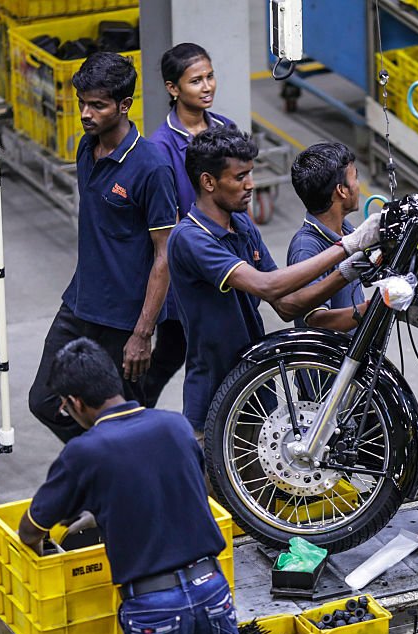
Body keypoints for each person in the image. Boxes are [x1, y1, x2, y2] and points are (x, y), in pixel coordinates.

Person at [18, 338, 242, 634]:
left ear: (75, 403)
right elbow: (182, 493)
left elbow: (31, 528)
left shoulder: (84, 452)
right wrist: (103, 512)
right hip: (211, 588)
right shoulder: (176, 426)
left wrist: (45, 545)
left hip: (154, 608)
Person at [167, 127, 379, 433]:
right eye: (240, 177)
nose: (251, 185)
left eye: (251, 174)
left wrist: (346, 272)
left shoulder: (241, 224)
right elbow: (266, 286)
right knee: (213, 479)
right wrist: (347, 247)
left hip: (255, 384)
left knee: (265, 477)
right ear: (208, 182)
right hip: (214, 391)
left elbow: (286, 304)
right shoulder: (190, 238)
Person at [28, 52, 178, 442]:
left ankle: (126, 479)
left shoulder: (152, 167)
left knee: (121, 420)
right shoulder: (86, 148)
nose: (86, 113)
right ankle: (105, 463)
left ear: (125, 105)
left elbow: (165, 255)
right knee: (45, 400)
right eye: (82, 103)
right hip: (79, 304)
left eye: (98, 105)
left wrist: (142, 333)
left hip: (121, 321)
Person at [144, 43, 236, 407]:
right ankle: (137, 415)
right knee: (177, 353)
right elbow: (169, 221)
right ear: (173, 89)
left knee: (221, 356)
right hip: (189, 268)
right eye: (196, 80)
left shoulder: (226, 129)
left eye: (209, 77)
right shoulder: (161, 148)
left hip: (227, 259)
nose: (207, 86)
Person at [287, 142, 370, 331]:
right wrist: (373, 309)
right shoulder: (306, 248)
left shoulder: (348, 231)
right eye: (355, 178)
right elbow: (317, 320)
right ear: (341, 190)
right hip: (335, 358)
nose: (358, 186)